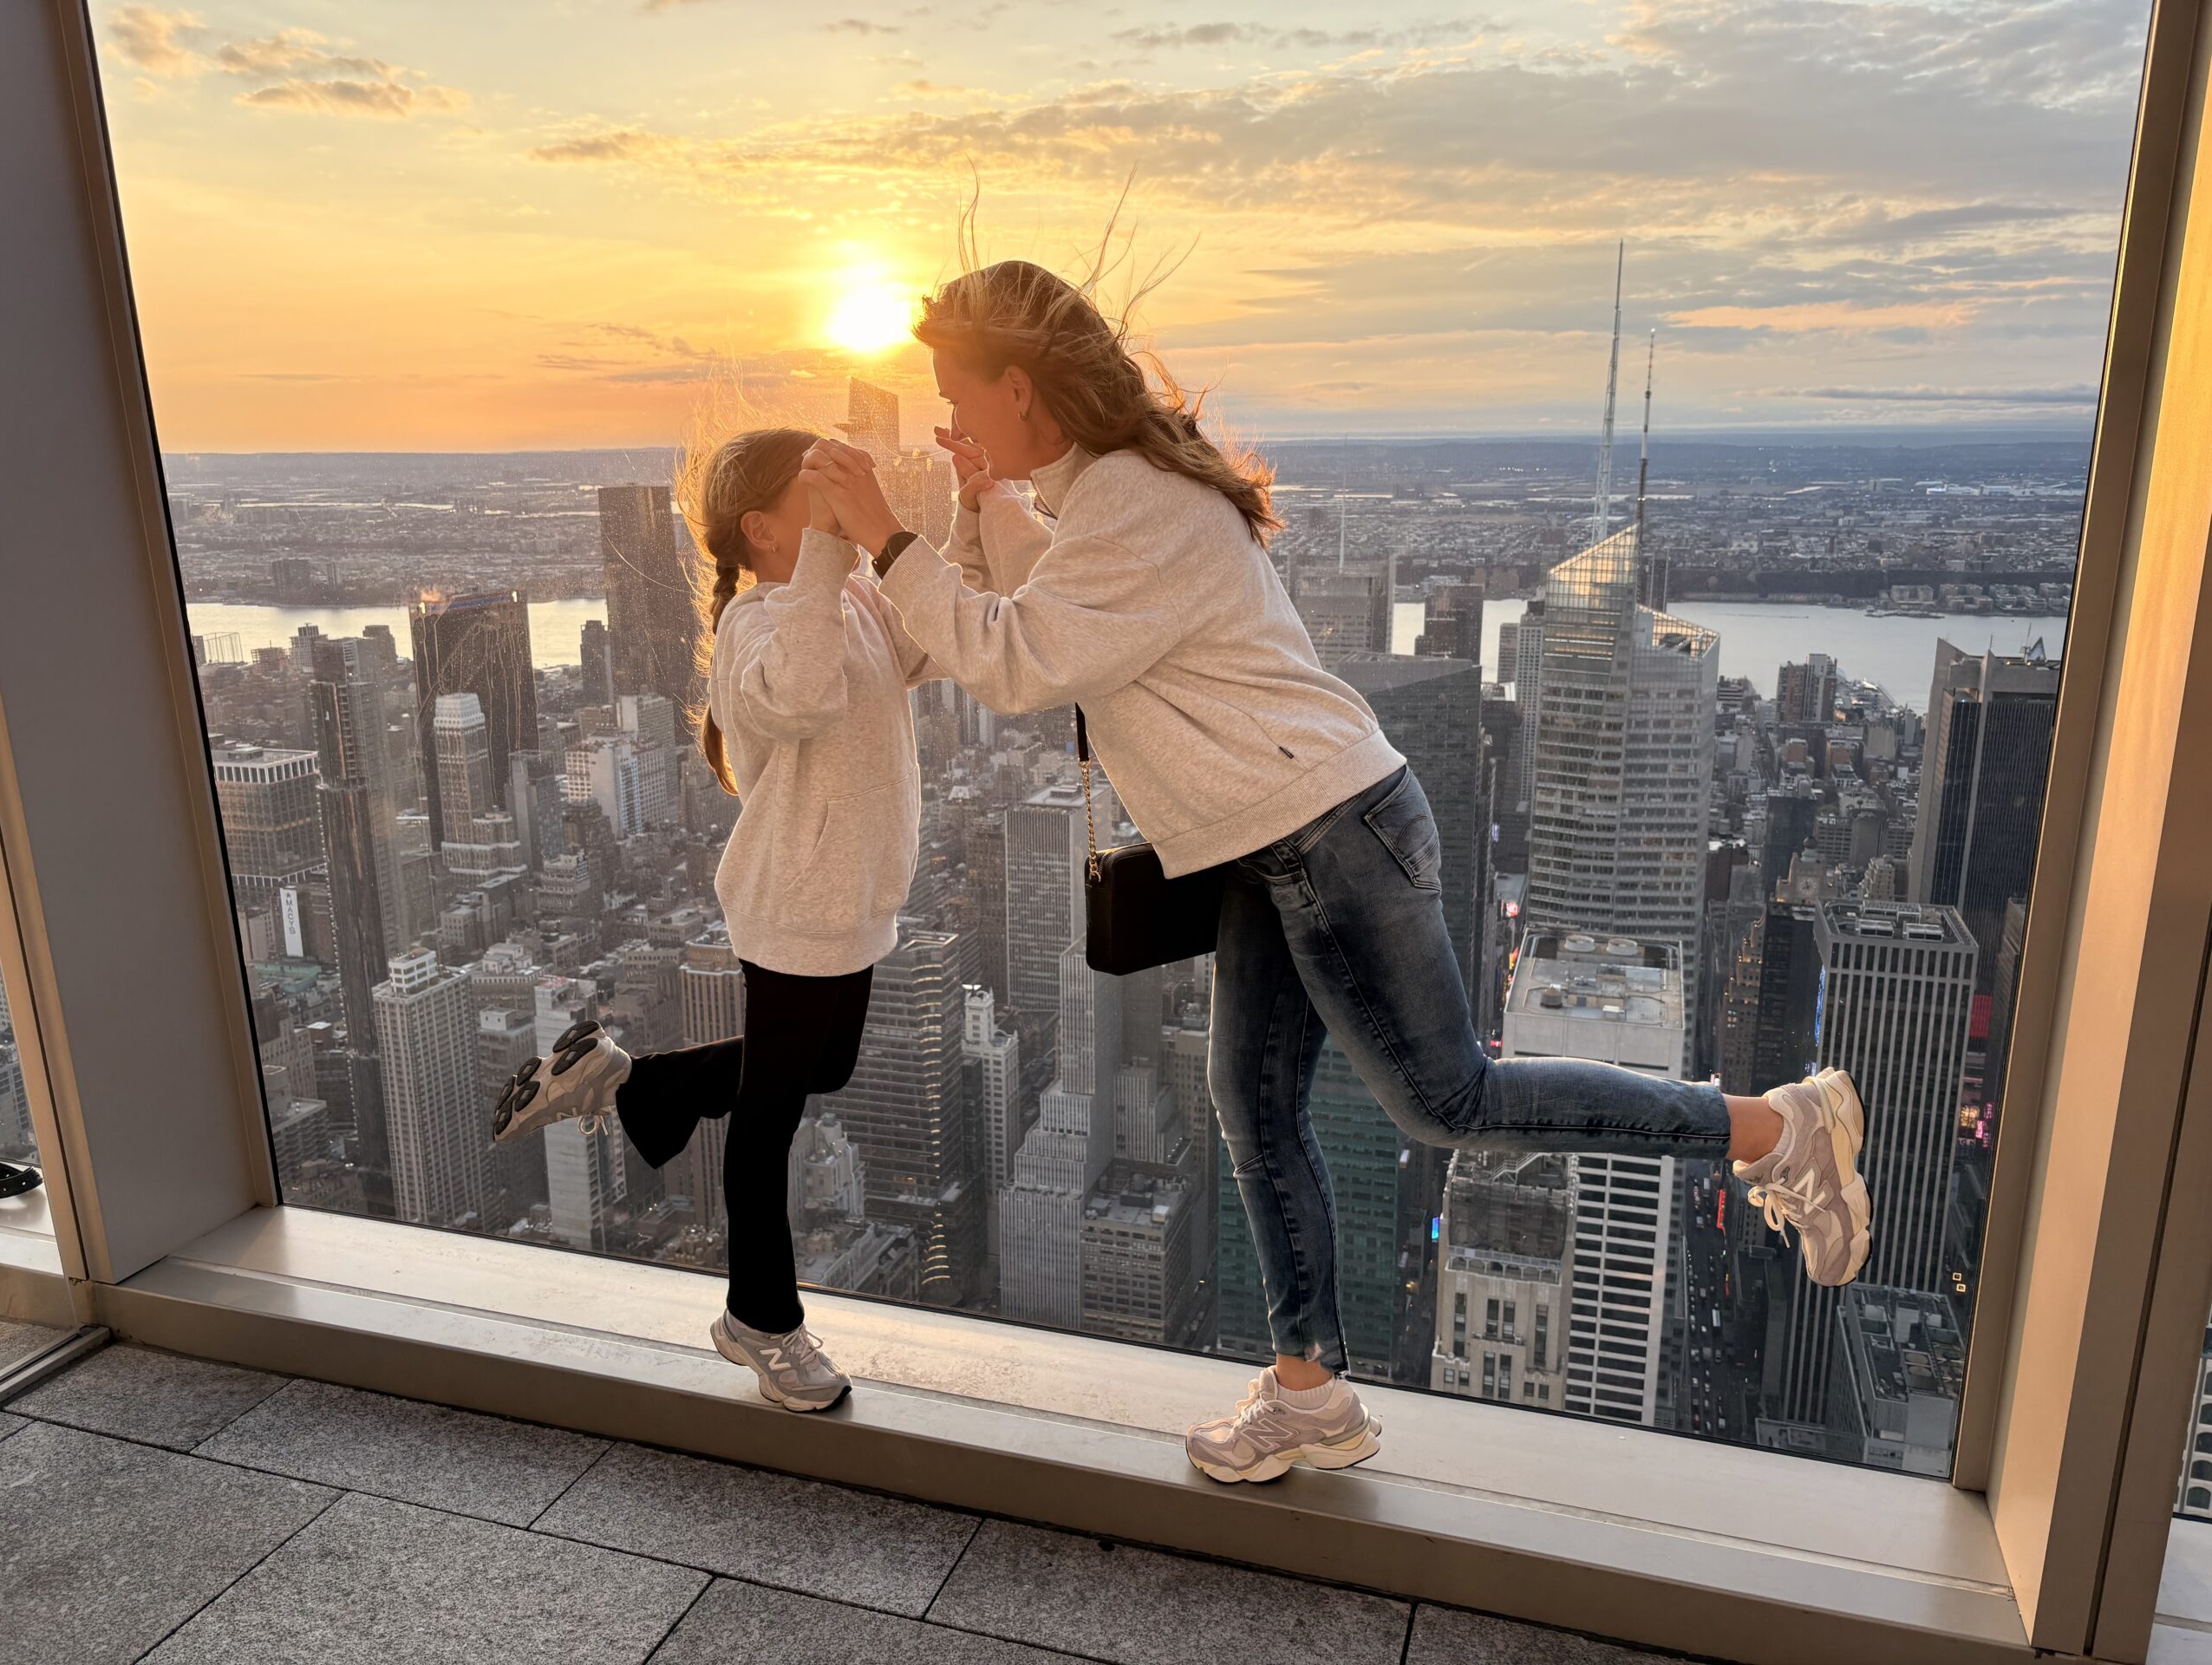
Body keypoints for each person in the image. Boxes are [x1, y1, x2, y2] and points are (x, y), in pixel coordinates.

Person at [799, 259, 1874, 1482]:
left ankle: (1775, 1128)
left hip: (1332, 838)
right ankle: (1308, 1395)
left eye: (960, 399)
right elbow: (1036, 602)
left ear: (1024, 391)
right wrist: (975, 503)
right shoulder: (1104, 494)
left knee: (1448, 1100)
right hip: (1276, 845)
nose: (948, 424)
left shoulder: (1134, 498)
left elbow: (1018, 657)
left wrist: (886, 530)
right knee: (1252, 1106)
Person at [492, 426, 941, 1414]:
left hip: (856, 898)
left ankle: (628, 1081)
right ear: (762, 527)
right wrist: (831, 553)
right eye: (811, 497)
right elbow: (804, 693)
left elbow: (934, 637)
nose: (832, 513)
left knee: (823, 1068)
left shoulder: (851, 598)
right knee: (771, 1112)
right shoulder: (754, 627)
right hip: (794, 903)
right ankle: (760, 1320)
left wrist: (983, 511)